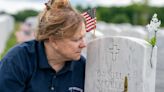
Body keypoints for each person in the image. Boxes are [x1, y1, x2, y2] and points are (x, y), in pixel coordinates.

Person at [0, 0, 86, 92]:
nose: (83, 44)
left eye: (83, 37)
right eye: (76, 40)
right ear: (53, 40)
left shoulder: (82, 66)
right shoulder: (17, 61)